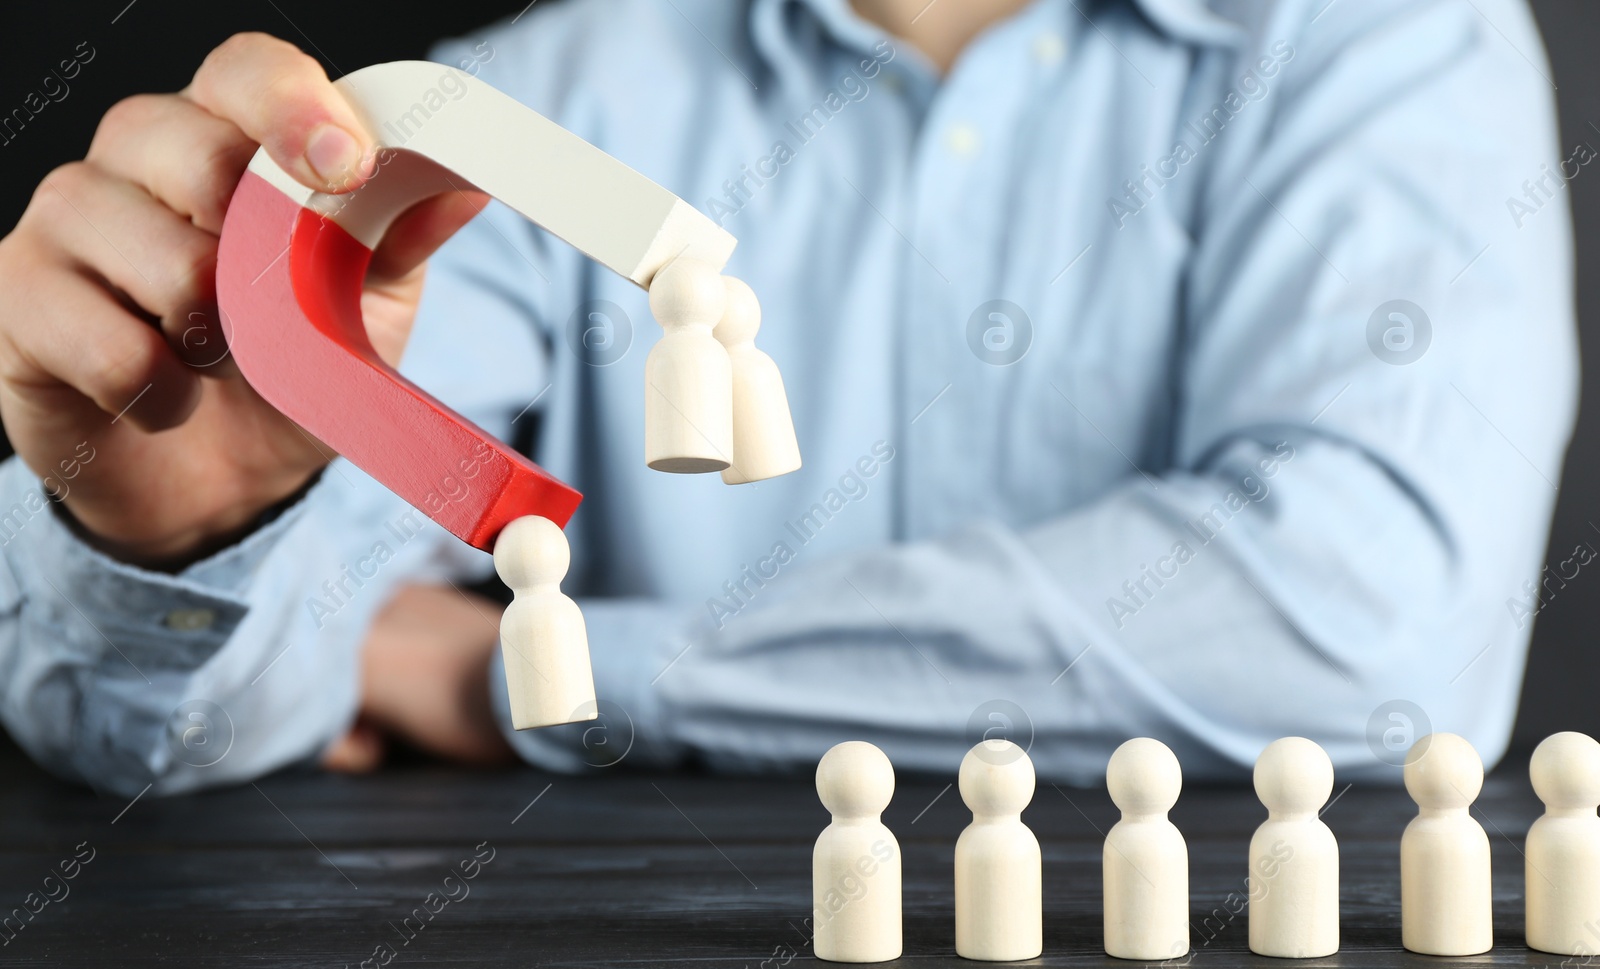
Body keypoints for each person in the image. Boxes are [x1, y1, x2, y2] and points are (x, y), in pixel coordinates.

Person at [0, 0, 1576, 796]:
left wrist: (532, 679)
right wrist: (191, 530)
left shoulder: (1388, 41)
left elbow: (1368, 627)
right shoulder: (542, 98)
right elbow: (210, 719)